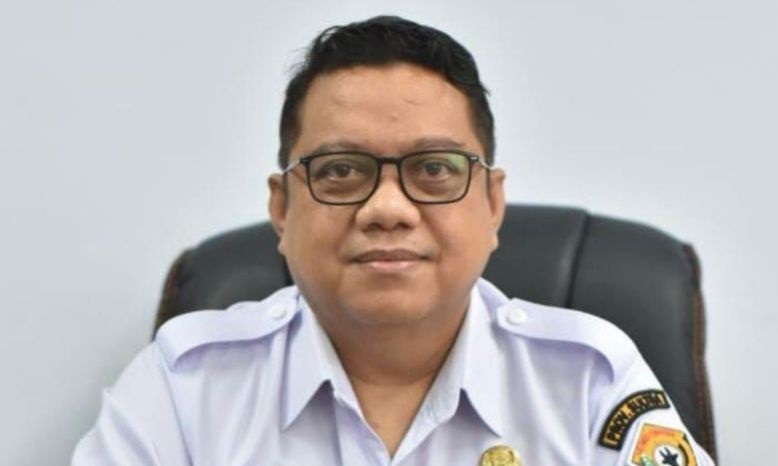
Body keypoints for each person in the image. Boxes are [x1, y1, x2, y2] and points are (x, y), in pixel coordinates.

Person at [72, 16, 716, 466]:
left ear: (493, 205)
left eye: (434, 169)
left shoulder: (588, 381)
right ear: (282, 209)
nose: (387, 209)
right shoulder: (186, 385)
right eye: (340, 171)